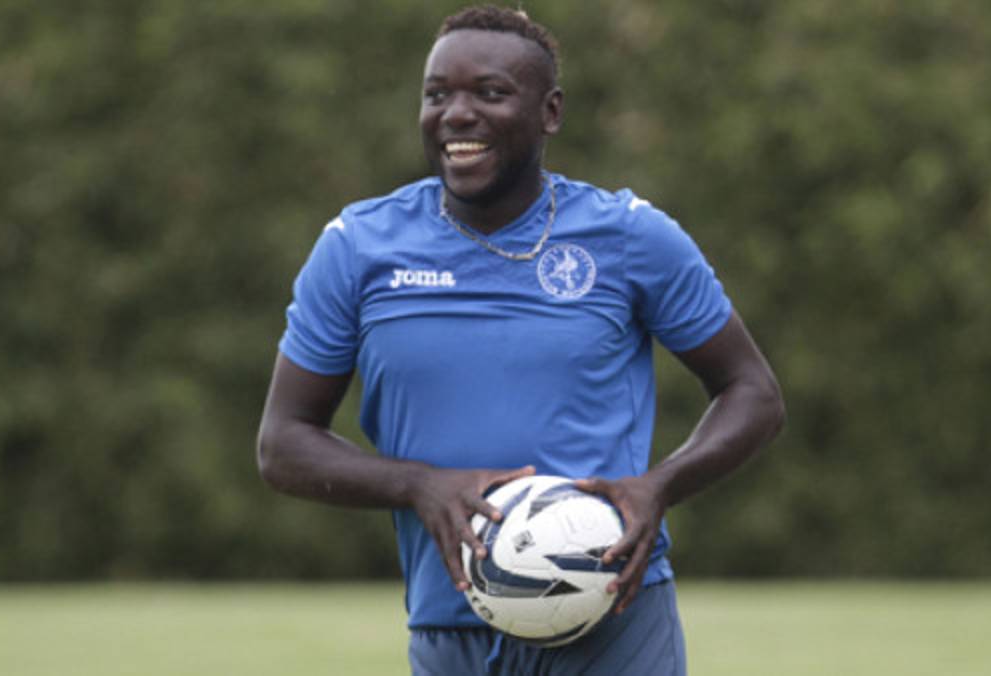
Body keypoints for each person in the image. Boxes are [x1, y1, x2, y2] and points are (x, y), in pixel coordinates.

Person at [257, 5, 784, 675]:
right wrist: (418, 485)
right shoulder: (358, 247)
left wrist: (660, 486)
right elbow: (283, 444)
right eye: (437, 94)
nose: (457, 114)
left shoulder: (630, 236)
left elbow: (753, 392)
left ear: (550, 111)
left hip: (613, 618)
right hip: (451, 627)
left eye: (490, 92)